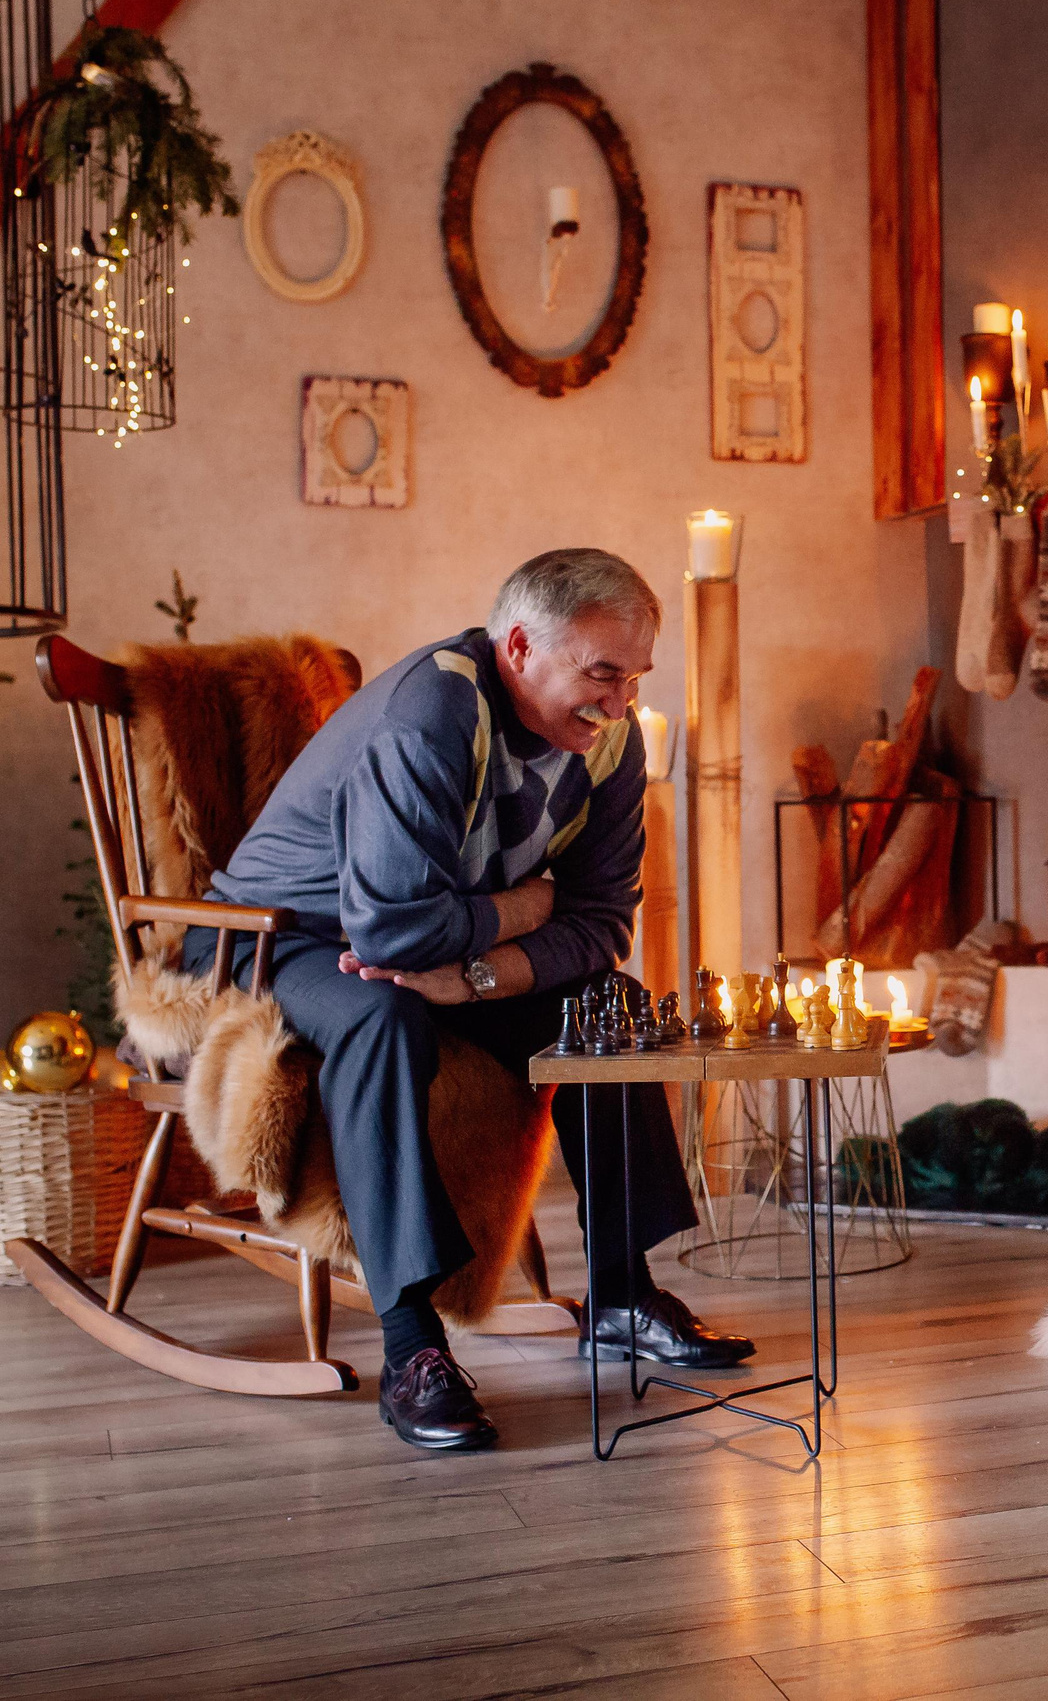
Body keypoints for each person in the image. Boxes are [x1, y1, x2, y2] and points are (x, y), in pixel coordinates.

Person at [189, 548, 753, 1452]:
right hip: (282, 937)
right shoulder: (430, 716)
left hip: (443, 952)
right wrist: (530, 906)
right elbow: (389, 936)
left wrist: (478, 975)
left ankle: (621, 1290)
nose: (619, 703)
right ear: (519, 647)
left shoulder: (613, 743)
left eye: (634, 678)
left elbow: (603, 923)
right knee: (383, 1014)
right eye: (601, 674)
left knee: (606, 1002)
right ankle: (412, 1345)